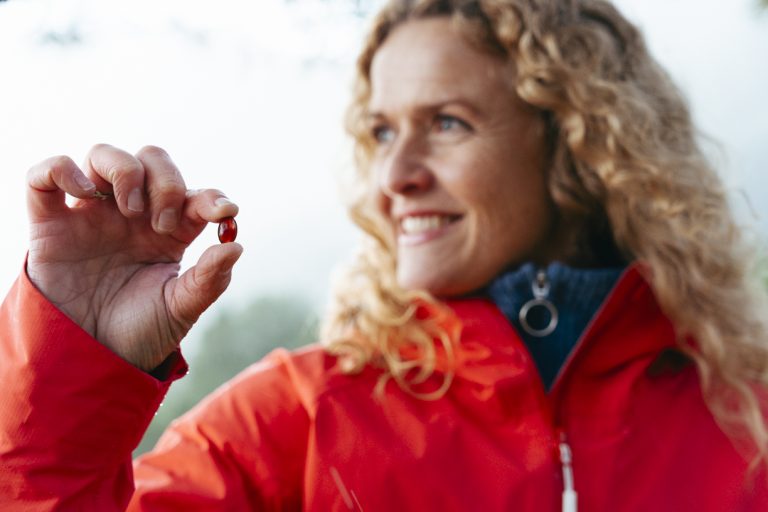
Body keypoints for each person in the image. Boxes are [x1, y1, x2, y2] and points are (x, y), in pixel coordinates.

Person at [1, 0, 767, 510]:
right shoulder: (293, 421)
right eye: (382, 132)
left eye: (448, 123)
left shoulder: (749, 421)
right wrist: (76, 364)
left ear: (577, 142)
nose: (394, 178)